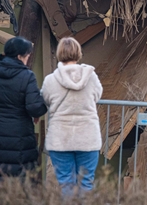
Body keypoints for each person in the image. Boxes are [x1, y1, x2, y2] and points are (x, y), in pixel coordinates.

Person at [0, 36, 47, 177]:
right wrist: (42, 105)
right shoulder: (27, 76)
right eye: (27, 55)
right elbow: (34, 107)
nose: (28, 58)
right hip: (19, 137)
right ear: (20, 56)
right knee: (17, 180)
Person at [41, 37, 103, 196]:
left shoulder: (50, 80)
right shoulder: (91, 77)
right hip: (87, 137)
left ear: (59, 54)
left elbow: (45, 99)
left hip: (61, 139)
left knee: (66, 184)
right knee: (86, 183)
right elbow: (97, 96)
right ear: (78, 53)